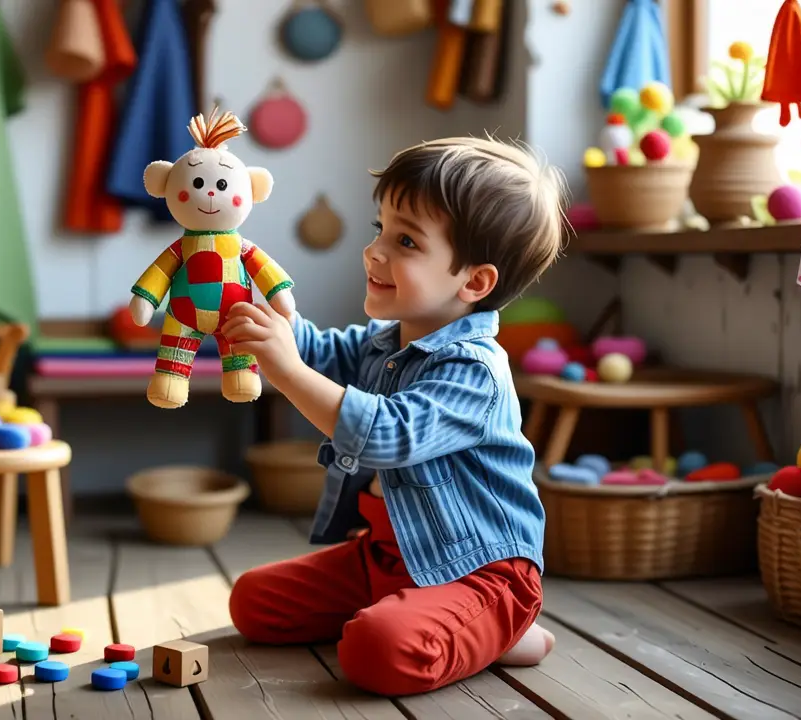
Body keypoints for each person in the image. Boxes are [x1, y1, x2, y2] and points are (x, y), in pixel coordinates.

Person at [221, 136, 567, 697]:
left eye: (405, 240)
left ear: (474, 282)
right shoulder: (386, 342)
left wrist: (283, 371)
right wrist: (257, 308)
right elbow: (315, 350)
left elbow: (384, 433)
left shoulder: (474, 372)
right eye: (378, 229)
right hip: (389, 555)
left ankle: (501, 629)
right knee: (254, 603)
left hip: (480, 573)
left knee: (375, 651)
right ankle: (418, 613)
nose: (375, 251)